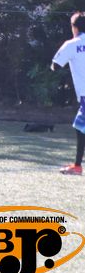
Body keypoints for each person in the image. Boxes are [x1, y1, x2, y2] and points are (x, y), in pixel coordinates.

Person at [51, 11, 85, 175]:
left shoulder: (71, 44)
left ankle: (77, 167)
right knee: (80, 126)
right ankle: (77, 165)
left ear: (74, 27)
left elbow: (55, 66)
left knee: (80, 126)